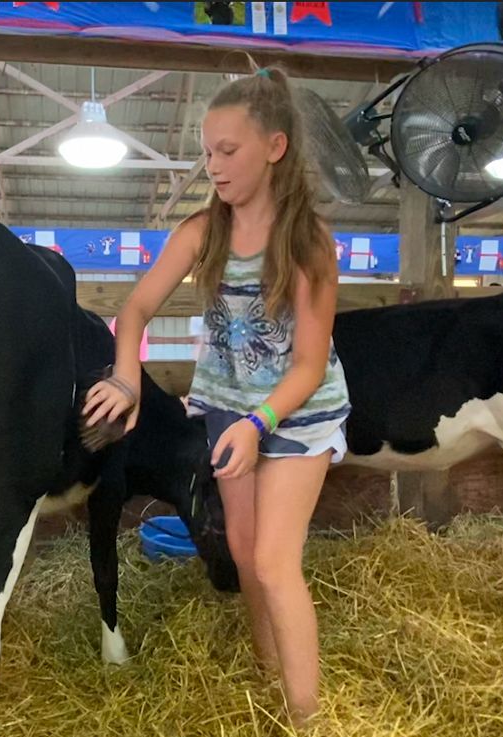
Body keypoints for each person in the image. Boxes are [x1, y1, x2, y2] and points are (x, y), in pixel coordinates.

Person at [83, 66, 348, 725]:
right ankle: (266, 676)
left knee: (274, 561)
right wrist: (124, 375)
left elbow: (311, 365)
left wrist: (260, 422)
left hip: (296, 415)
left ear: (274, 148)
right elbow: (137, 308)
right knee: (245, 552)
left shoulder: (311, 245)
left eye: (228, 150)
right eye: (208, 151)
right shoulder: (203, 232)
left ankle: (307, 716)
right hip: (230, 407)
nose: (214, 165)